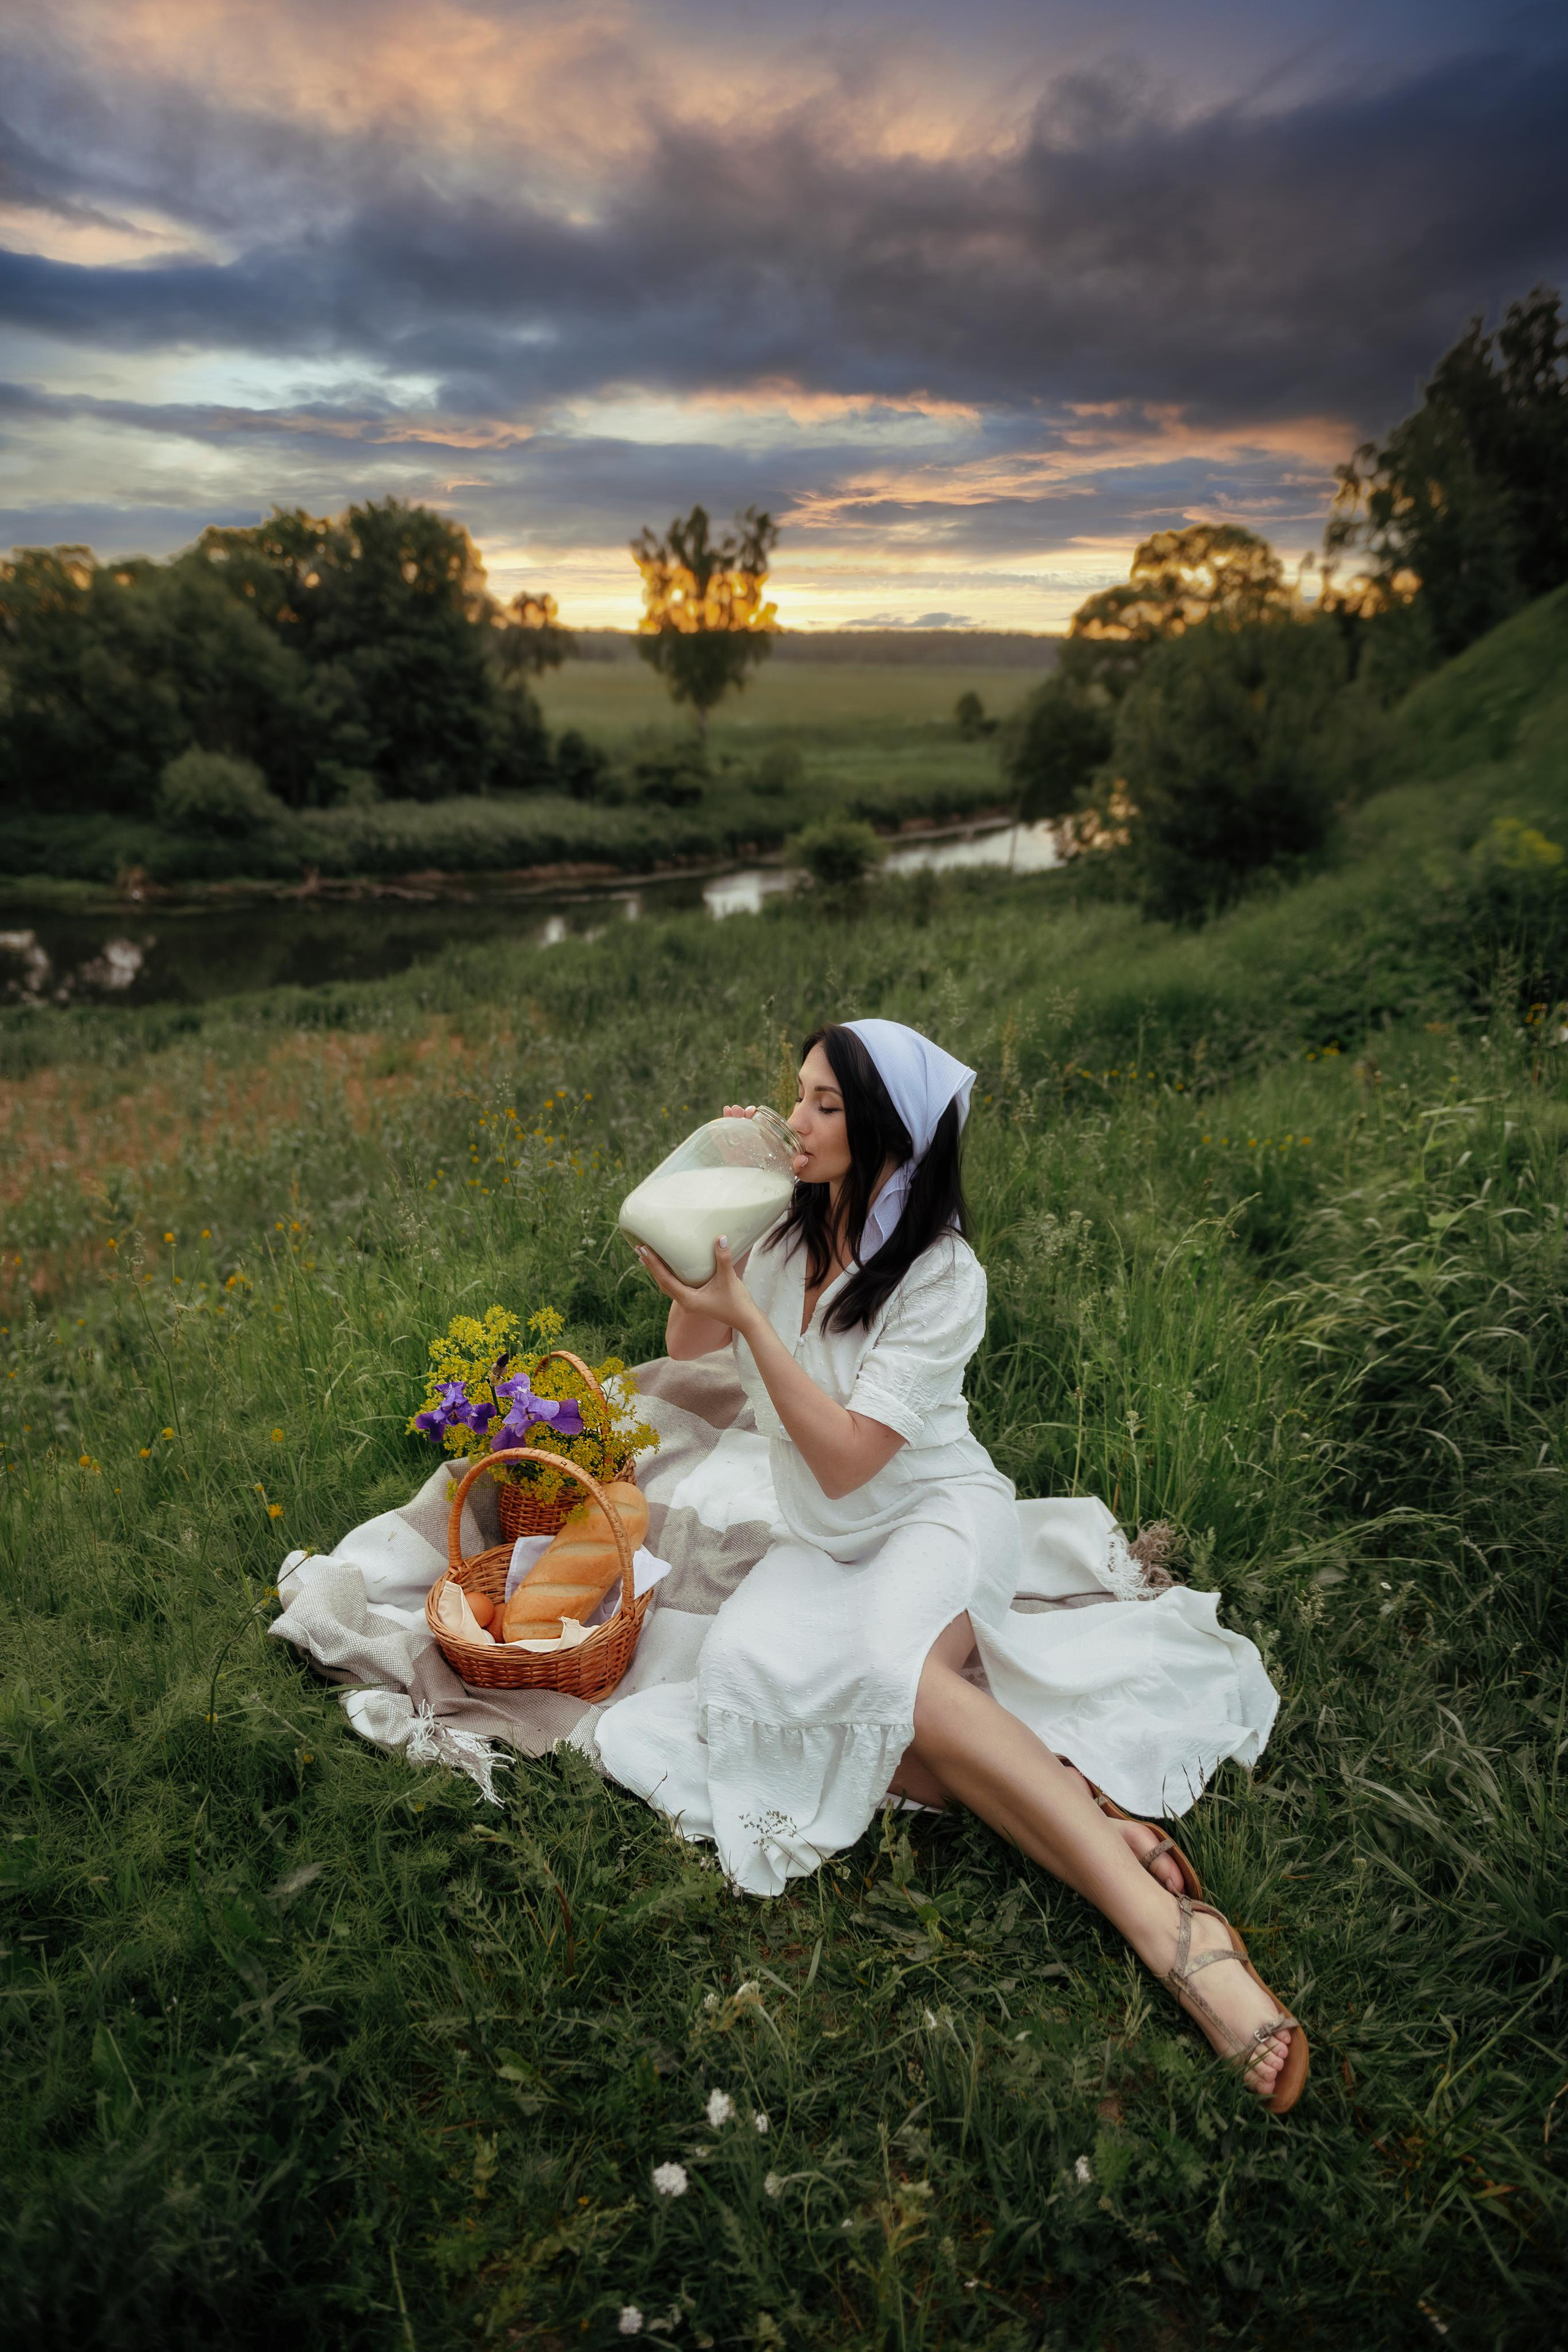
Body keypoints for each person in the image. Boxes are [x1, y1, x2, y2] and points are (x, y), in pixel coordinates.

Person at [596, 1018, 1307, 2113]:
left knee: (901, 1686)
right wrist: (714, 1212)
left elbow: (846, 1461)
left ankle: (1172, 1935)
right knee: (746, 1689)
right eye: (795, 1096)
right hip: (819, 1545)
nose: (796, 1120)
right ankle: (1078, 1800)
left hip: (932, 1515)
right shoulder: (777, 1226)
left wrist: (752, 1323)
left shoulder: (941, 1275)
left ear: (888, 1132)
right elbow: (690, 1346)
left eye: (825, 1105)